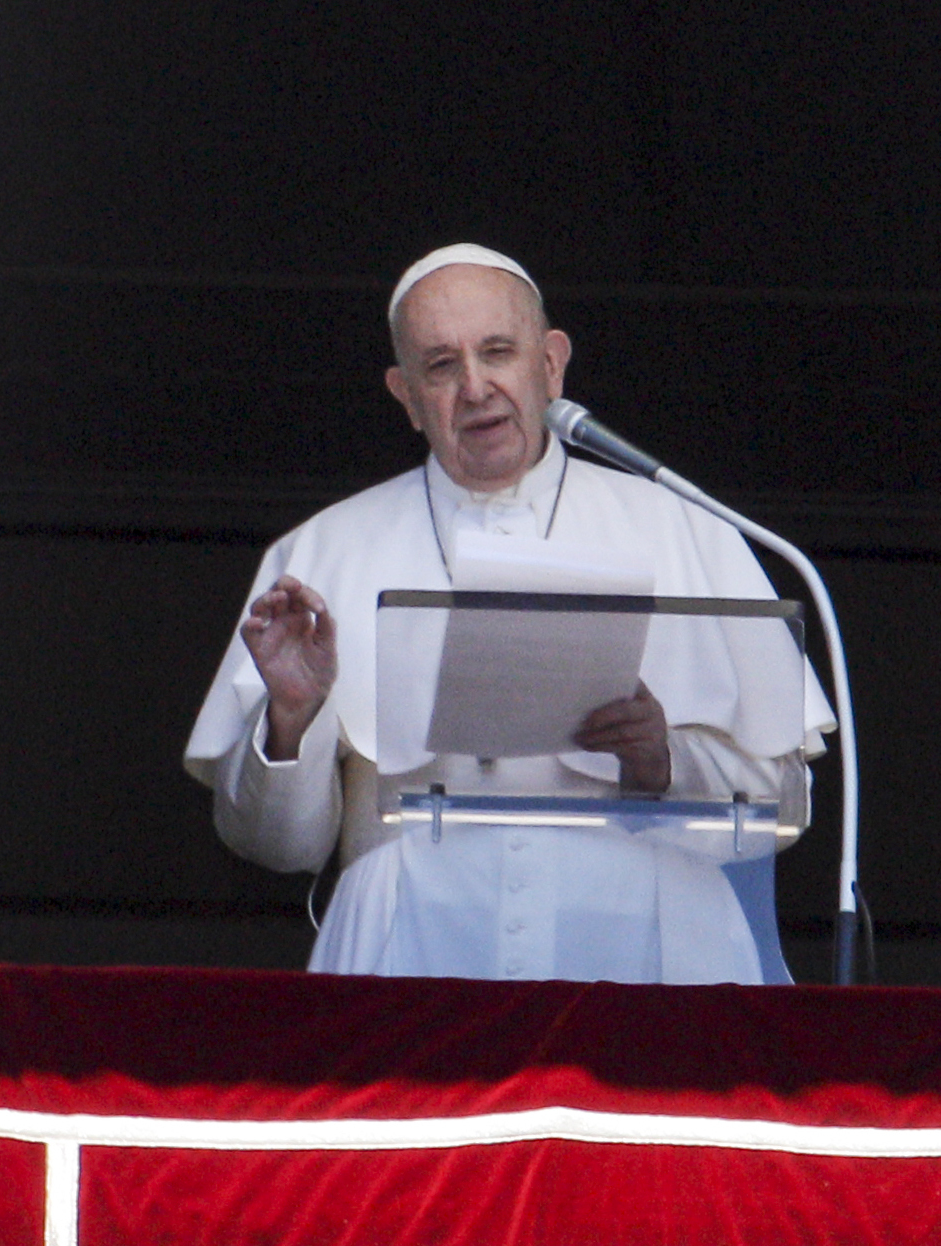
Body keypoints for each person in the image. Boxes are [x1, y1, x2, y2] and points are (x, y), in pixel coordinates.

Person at [184, 243, 833, 984]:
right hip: (410, 944)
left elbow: (784, 806)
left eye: (497, 351)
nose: (474, 386)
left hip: (651, 947)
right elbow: (278, 847)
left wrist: (663, 759)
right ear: (404, 395)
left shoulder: (688, 528)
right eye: (440, 366)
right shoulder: (324, 551)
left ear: (550, 365)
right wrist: (291, 719)